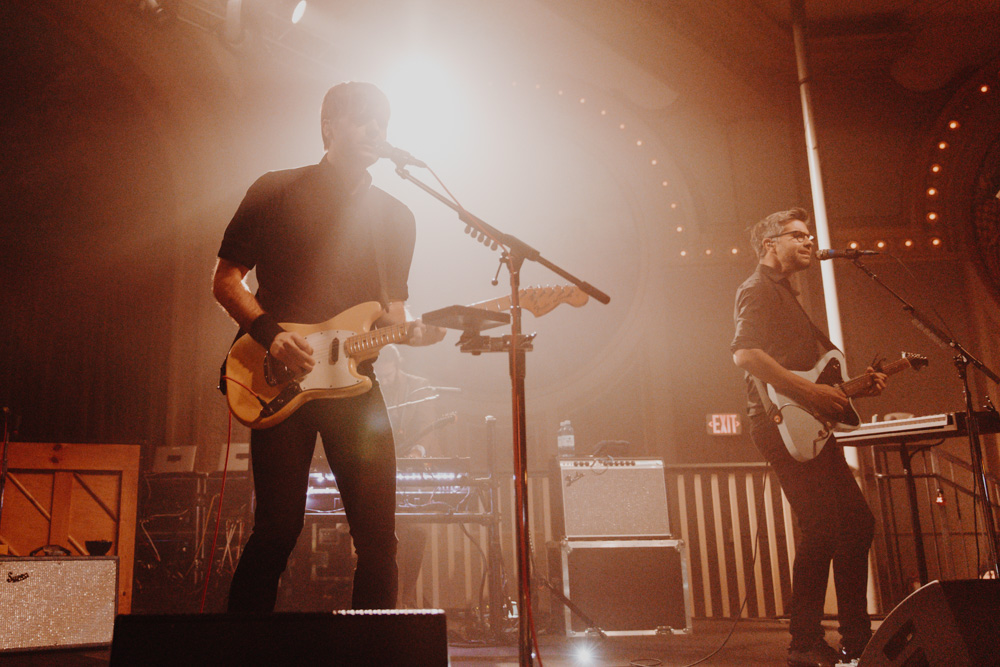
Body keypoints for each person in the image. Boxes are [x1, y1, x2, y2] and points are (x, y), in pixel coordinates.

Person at [213, 81, 444, 612]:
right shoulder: (275, 189)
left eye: (382, 123)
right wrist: (273, 336)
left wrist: (417, 331)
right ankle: (241, 650)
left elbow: (392, 314)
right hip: (279, 374)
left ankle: (373, 652)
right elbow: (225, 280)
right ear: (328, 126)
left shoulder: (397, 216)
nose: (375, 131)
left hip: (355, 386)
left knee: (379, 537)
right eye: (362, 120)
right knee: (277, 528)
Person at [731, 208, 886, 667]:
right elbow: (745, 354)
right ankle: (803, 642)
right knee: (822, 526)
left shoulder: (786, 293)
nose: (808, 241)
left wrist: (852, 387)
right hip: (778, 423)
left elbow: (809, 375)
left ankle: (857, 639)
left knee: (855, 524)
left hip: (804, 421)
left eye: (809, 234)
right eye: (796, 235)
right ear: (769, 244)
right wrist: (811, 391)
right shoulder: (756, 288)